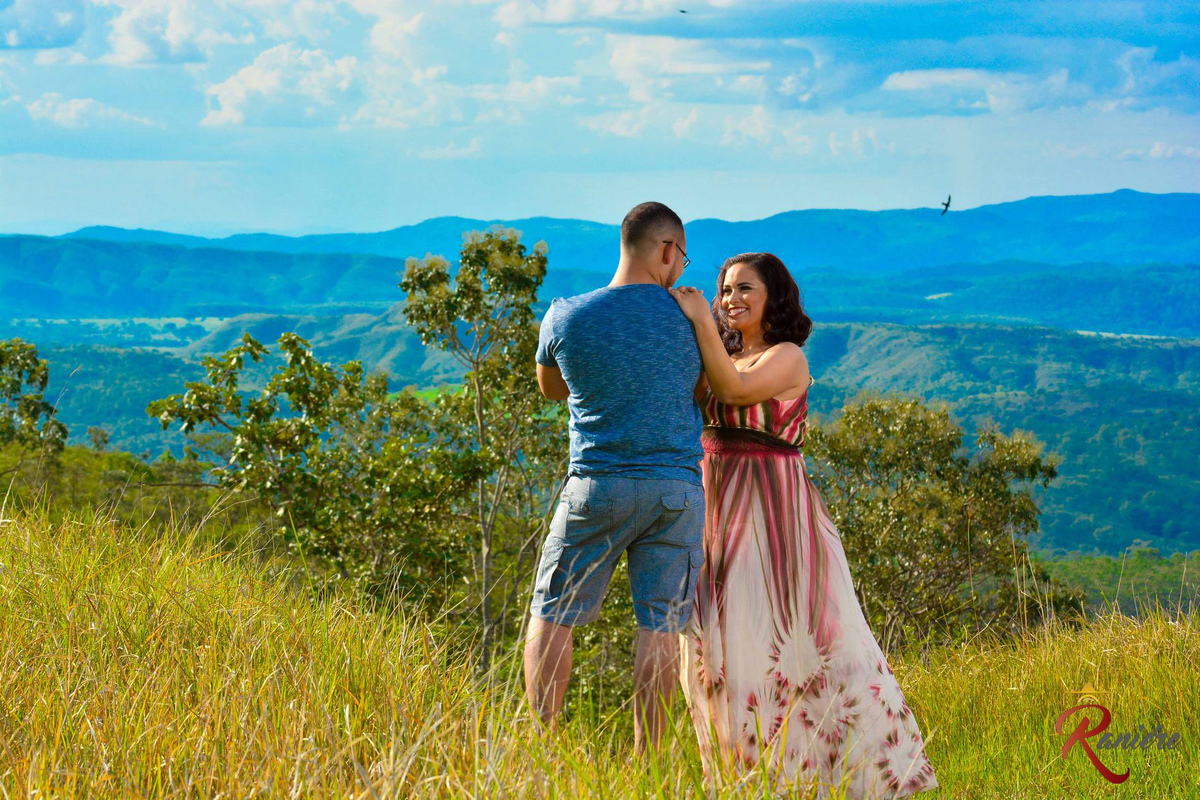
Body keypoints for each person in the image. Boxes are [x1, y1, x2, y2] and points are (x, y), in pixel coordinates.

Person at [668, 253, 938, 797]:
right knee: (716, 648)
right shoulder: (726, 354)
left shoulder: (786, 356)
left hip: (771, 514)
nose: (730, 299)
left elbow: (735, 394)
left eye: (745, 288)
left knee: (781, 640)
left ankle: (829, 775)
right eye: (724, 290)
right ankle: (740, 776)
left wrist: (700, 323)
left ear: (775, 298)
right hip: (716, 507)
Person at [525, 201, 706, 751]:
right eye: (681, 258)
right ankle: (646, 761)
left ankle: (542, 746)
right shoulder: (693, 319)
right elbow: (707, 391)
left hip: (596, 485)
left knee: (553, 613)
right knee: (660, 626)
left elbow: (551, 389)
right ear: (667, 250)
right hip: (675, 491)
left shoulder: (565, 315)